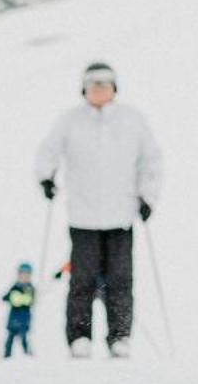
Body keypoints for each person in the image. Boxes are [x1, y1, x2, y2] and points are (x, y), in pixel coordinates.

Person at [35, 61, 164, 358]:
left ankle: (119, 336)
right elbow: (48, 151)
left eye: (105, 85)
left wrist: (148, 197)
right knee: (82, 279)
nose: (99, 91)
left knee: (120, 279)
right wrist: (46, 177)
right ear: (84, 89)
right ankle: (79, 337)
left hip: (121, 216)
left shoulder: (133, 120)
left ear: (114, 88)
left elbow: (151, 161)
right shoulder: (70, 121)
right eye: (94, 85)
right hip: (83, 216)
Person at [2, 262, 36, 358]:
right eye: (22, 274)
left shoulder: (29, 288)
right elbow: (7, 297)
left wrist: (16, 298)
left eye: (26, 275)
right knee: (10, 337)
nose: (24, 277)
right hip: (14, 316)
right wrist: (11, 297)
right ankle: (7, 355)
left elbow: (28, 300)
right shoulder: (15, 286)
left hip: (24, 317)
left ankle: (27, 354)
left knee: (23, 337)